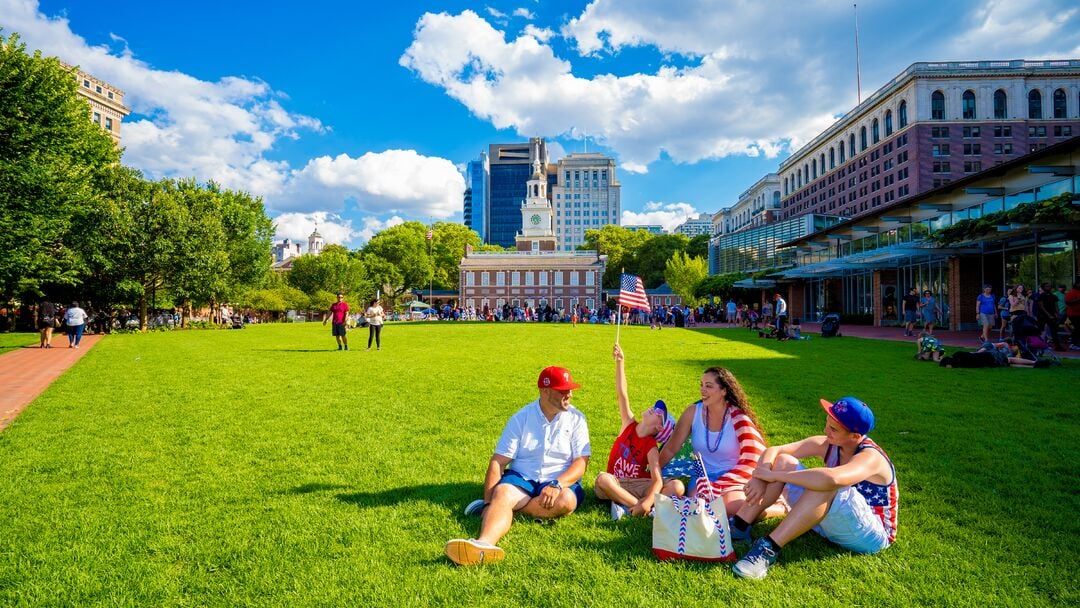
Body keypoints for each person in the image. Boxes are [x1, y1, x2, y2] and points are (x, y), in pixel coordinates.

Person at [731, 396, 897, 580]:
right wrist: (760, 475)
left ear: (855, 437)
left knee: (828, 482)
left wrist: (774, 476)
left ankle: (768, 549)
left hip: (871, 536)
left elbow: (832, 479)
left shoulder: (871, 457)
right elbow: (775, 450)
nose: (826, 431)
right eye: (827, 423)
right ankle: (740, 525)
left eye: (833, 429)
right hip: (835, 520)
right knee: (784, 461)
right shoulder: (830, 442)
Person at [447, 366, 591, 566]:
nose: (570, 394)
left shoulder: (577, 419)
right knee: (504, 493)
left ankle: (504, 511)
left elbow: (581, 463)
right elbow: (498, 461)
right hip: (523, 477)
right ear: (545, 391)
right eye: (563, 390)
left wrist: (557, 483)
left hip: (560, 479)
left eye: (570, 389)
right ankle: (484, 544)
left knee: (566, 501)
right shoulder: (521, 418)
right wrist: (490, 501)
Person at [658, 367, 782, 520]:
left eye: (709, 386)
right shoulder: (693, 412)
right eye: (701, 385)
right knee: (700, 504)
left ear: (724, 391)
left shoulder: (738, 418)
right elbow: (671, 448)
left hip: (735, 476)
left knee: (731, 505)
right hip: (703, 478)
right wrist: (653, 472)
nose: (703, 390)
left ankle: (779, 509)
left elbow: (756, 454)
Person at [594, 345, 684, 520]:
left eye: (659, 413)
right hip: (616, 481)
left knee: (678, 486)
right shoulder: (628, 423)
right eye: (656, 407)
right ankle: (639, 507)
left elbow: (657, 480)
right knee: (602, 480)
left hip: (640, 484)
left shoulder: (651, 447)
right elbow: (622, 394)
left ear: (659, 428)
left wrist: (648, 499)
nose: (654, 409)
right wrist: (620, 362)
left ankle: (628, 506)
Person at [1035, 283, 1064, 351]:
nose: (1048, 287)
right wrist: (1049, 315)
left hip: (1051, 316)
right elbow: (1041, 307)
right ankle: (1038, 345)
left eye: (1049, 286)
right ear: (1043, 288)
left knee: (1054, 331)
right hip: (1042, 316)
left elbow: (1056, 305)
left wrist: (1058, 314)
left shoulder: (1053, 296)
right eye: (1046, 286)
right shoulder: (1041, 296)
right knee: (1041, 330)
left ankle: (1057, 346)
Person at [1066, 281, 1080, 351]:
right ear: (1077, 284)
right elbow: (1068, 302)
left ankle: (1075, 343)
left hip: (1078, 313)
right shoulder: (1072, 292)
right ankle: (1073, 344)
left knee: (1078, 328)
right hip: (1074, 314)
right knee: (1077, 328)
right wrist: (1078, 300)